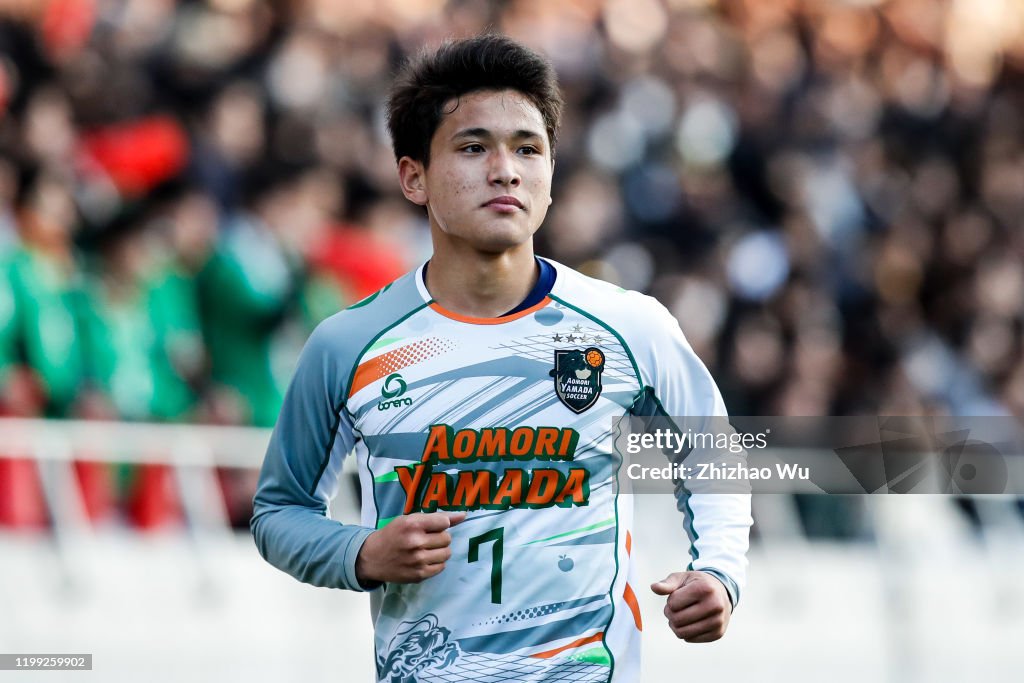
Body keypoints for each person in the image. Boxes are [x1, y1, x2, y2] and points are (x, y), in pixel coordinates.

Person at [251, 34, 751, 683]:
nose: (505, 169)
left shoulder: (632, 326)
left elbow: (714, 453)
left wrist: (719, 571)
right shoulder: (348, 344)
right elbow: (278, 511)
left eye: (527, 147)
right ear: (413, 176)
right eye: (472, 146)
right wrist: (363, 551)